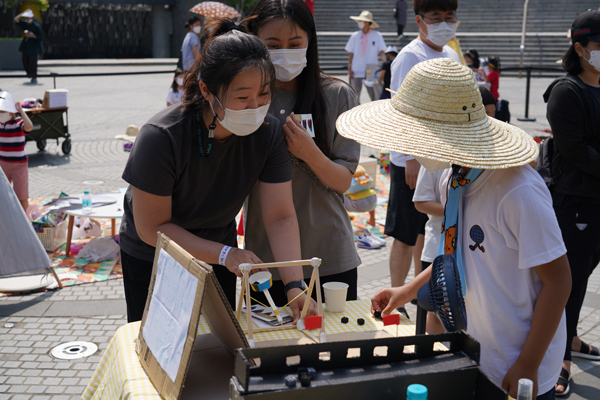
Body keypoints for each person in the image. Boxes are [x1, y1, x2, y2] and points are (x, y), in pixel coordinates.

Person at [336, 58, 571, 400]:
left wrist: (528, 364)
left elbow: (559, 281)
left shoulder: (517, 190)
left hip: (519, 361)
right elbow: (456, 254)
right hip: (477, 345)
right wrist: (407, 290)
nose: (410, 147)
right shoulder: (454, 177)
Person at [119, 19, 317, 324]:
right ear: (207, 90)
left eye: (264, 94)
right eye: (242, 97)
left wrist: (294, 285)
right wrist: (225, 255)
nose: (255, 107)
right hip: (156, 256)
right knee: (162, 352)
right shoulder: (161, 137)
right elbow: (152, 228)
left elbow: (280, 215)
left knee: (220, 344)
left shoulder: (269, 133)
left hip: (220, 251)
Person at [244, 0, 361, 304]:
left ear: (310, 41)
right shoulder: (244, 99)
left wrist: (310, 153)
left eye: (295, 43)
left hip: (331, 257)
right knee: (269, 349)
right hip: (266, 262)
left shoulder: (336, 95)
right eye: (273, 44)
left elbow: (343, 181)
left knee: (334, 348)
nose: (285, 51)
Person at [386, 0, 459, 316]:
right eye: (436, 18)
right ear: (419, 20)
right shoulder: (409, 57)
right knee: (404, 233)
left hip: (442, 158)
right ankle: (393, 299)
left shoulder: (451, 54)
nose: (444, 23)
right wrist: (409, 157)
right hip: (412, 160)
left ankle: (417, 292)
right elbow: (400, 110)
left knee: (427, 229)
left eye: (450, 17)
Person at [544, 9, 600, 397]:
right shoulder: (566, 92)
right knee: (570, 281)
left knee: (584, 275)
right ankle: (559, 357)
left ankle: (573, 338)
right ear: (580, 48)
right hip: (574, 201)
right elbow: (577, 152)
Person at [0, 91, 33, 212]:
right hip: (3, 164)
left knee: (21, 196)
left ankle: (26, 222)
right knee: (3, 195)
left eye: (3, 111)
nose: (0, 114)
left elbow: (29, 126)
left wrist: (21, 110)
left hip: (19, 165)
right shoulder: (0, 124)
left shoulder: (18, 123)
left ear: (11, 112)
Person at [345, 10, 386, 101]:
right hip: (356, 68)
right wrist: (349, 67)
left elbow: (382, 52)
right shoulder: (355, 36)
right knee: (354, 96)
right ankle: (355, 114)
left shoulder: (377, 35)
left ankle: (376, 113)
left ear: (367, 22)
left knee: (375, 96)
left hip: (372, 68)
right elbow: (351, 52)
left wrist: (386, 64)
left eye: (362, 21)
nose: (360, 23)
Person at [13, 9, 43, 84]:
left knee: (33, 63)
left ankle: (34, 77)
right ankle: (29, 74)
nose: (27, 19)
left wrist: (32, 36)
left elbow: (40, 37)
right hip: (26, 47)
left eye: (28, 18)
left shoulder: (36, 26)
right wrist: (23, 12)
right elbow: (16, 19)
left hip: (34, 47)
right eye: (26, 18)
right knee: (25, 60)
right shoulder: (25, 24)